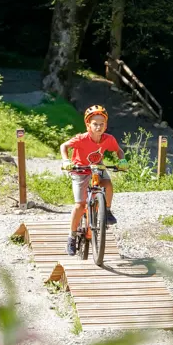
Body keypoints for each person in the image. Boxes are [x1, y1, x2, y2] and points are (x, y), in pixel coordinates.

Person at [60, 105, 128, 255]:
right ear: (88, 125)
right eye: (95, 124)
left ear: (106, 125)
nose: (98, 127)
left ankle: (107, 211)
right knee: (80, 204)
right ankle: (71, 237)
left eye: (101, 124)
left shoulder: (108, 139)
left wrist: (122, 161)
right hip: (80, 169)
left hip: (97, 167)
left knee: (108, 184)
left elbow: (119, 150)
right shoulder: (81, 138)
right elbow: (64, 146)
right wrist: (66, 161)